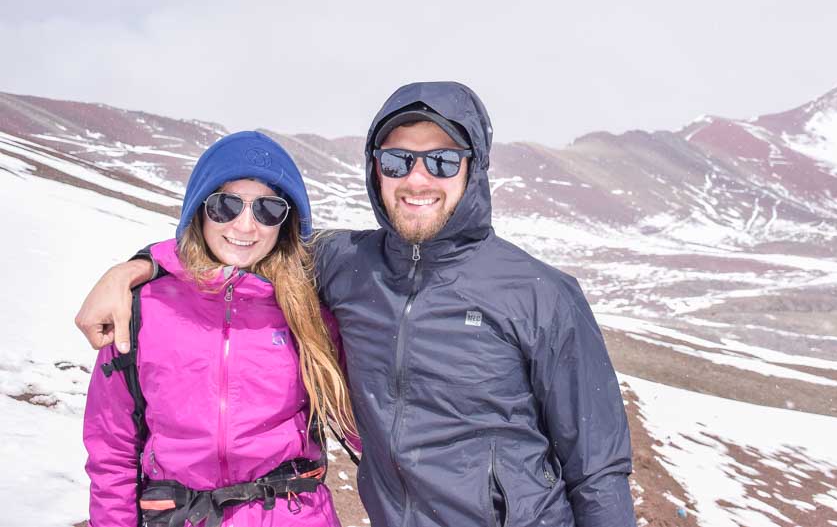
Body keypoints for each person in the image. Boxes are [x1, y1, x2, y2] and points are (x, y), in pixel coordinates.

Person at [77, 82, 636, 527]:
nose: (417, 179)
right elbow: (243, 254)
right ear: (375, 169)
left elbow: (598, 470)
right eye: (397, 161)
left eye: (442, 161)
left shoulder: (541, 294)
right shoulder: (347, 265)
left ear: (474, 168)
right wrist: (136, 268)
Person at [83, 131, 355, 527]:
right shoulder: (141, 309)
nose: (245, 226)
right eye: (225, 205)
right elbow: (112, 447)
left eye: (268, 210)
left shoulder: (311, 311)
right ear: (199, 210)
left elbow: (374, 422)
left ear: (287, 222)